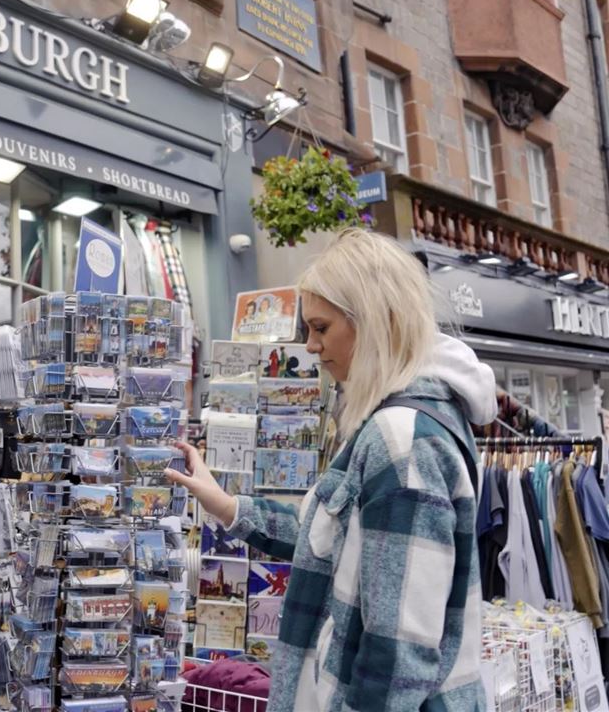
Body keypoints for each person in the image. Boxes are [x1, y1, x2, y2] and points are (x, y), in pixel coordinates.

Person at [167, 228, 497, 711]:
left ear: (375, 320)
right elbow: (326, 535)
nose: (311, 346)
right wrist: (224, 503)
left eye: (321, 328)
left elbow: (397, 657)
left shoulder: (400, 440)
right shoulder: (399, 423)